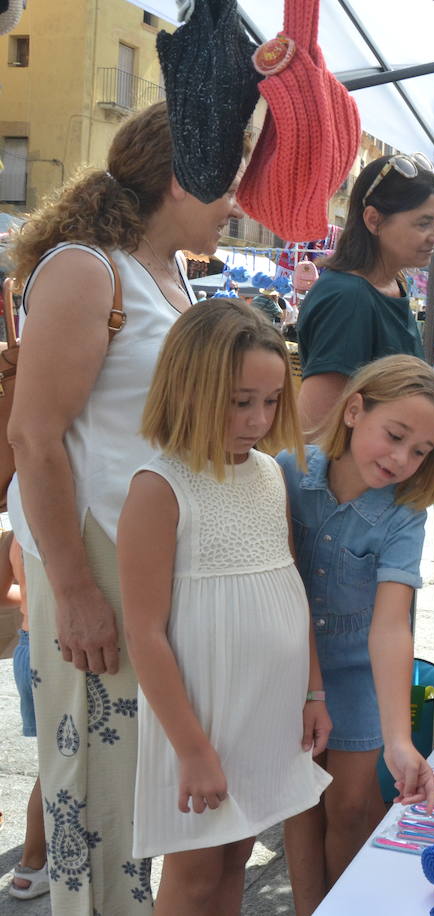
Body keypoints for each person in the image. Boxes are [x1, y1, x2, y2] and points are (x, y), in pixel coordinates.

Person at [7, 100, 241, 914]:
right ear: (182, 179)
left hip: (146, 554)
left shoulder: (164, 271)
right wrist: (73, 591)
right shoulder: (87, 268)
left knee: (140, 790)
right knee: (98, 797)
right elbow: (35, 438)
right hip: (92, 553)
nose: (236, 203)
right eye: (227, 183)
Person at [118, 300, 331, 910]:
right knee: (195, 867)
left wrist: (313, 692)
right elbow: (145, 632)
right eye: (241, 401)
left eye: (270, 401)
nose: (259, 418)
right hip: (203, 717)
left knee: (236, 854)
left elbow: (291, 586)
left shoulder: (267, 474)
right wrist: (192, 748)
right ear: (190, 389)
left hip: (267, 709)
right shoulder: (159, 488)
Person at [279, 355, 434, 914]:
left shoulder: (406, 512)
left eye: (420, 451)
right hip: (289, 668)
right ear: (355, 410)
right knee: (299, 801)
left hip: (361, 672)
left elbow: (390, 624)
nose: (402, 459)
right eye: (396, 435)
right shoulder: (287, 473)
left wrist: (399, 740)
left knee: (353, 804)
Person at [296, 154, 434, 430]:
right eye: (424, 223)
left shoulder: (394, 285)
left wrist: (433, 390)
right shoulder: (348, 298)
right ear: (374, 220)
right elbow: (316, 428)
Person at [1, 532, 47, 900]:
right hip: (51, 652)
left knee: (53, 762)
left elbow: (2, 594)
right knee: (57, 767)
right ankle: (32, 866)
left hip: (26, 645)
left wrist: (28, 602)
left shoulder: (14, 532)